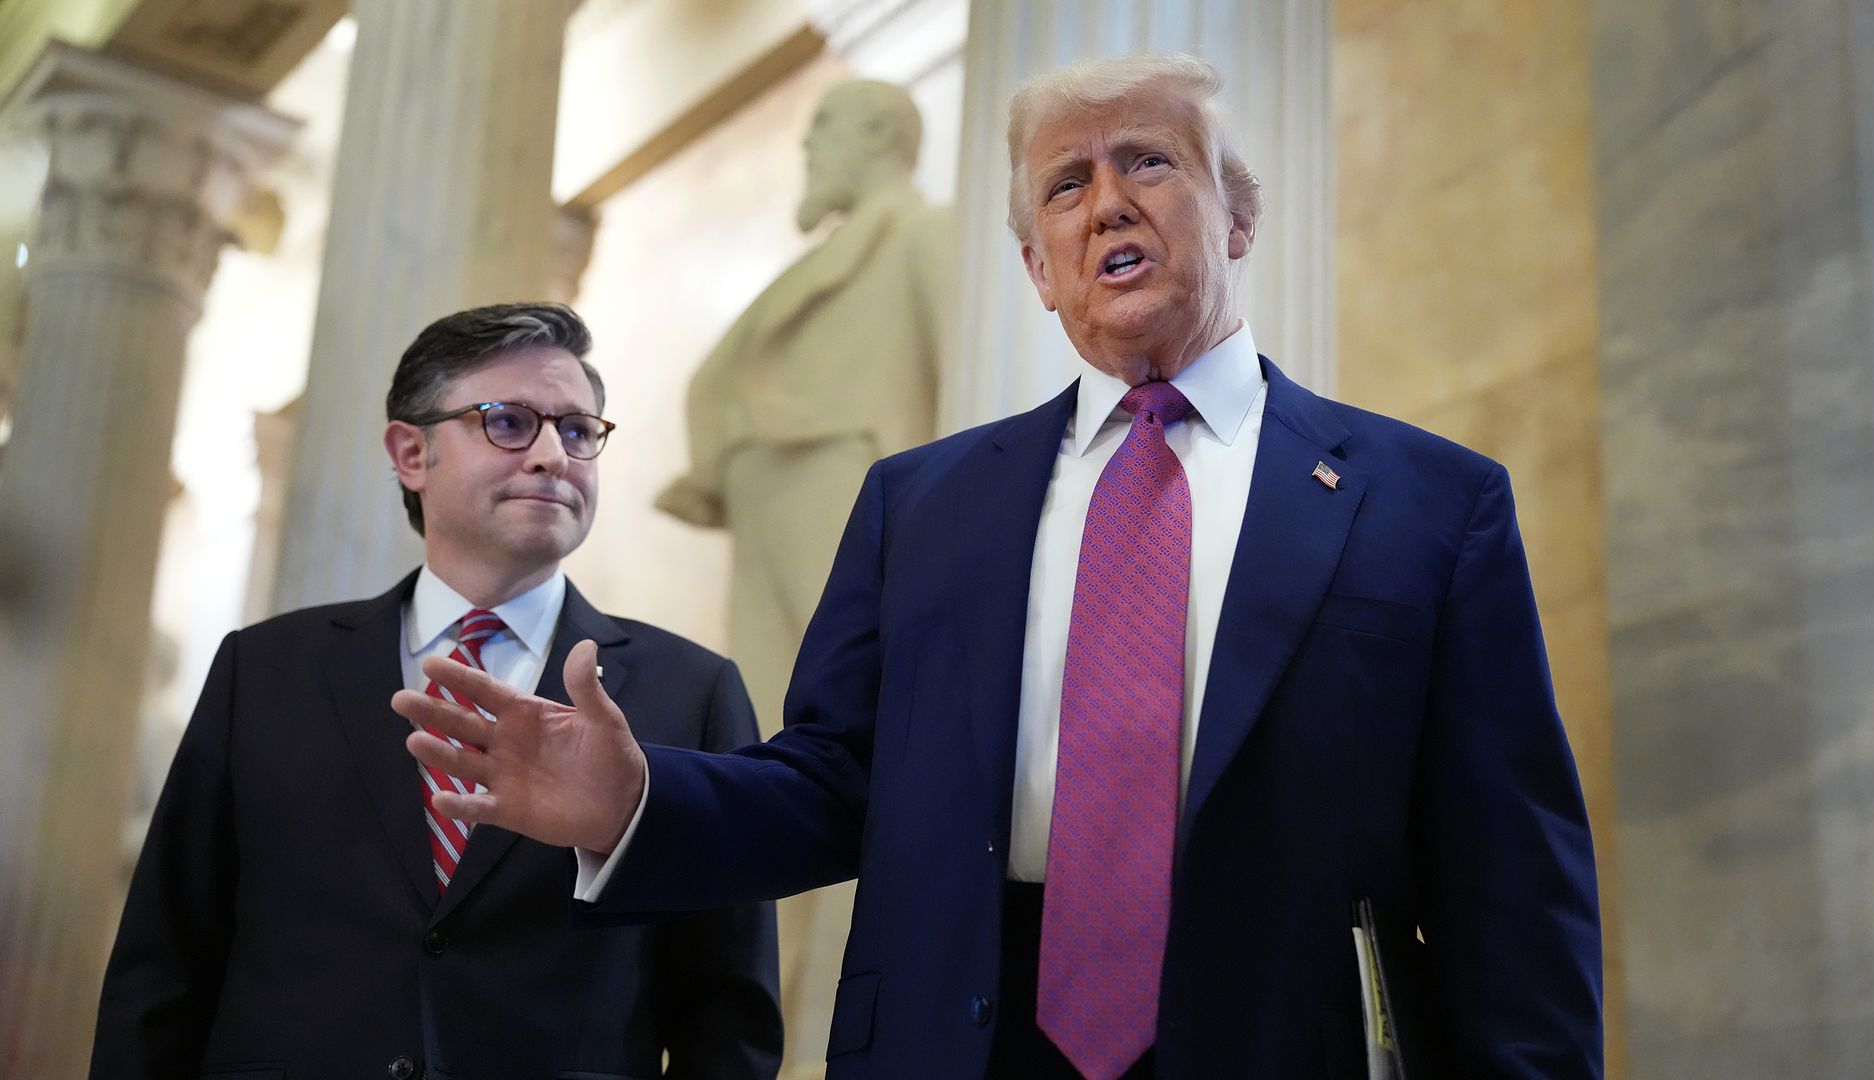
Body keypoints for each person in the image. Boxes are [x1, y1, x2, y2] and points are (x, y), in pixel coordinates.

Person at [400, 56, 1603, 1080]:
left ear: (1237, 221)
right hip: (958, 1036)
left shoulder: (1426, 503)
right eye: (1066, 186)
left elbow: (1510, 873)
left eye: (1147, 162)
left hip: (1279, 1033)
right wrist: (641, 802)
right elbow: (833, 784)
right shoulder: (922, 504)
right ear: (1037, 269)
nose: (1106, 205)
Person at [92, 303, 781, 1080]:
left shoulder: (691, 693)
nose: (554, 454)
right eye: (511, 422)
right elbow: (163, 965)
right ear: (411, 453)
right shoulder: (266, 669)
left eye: (580, 431)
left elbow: (728, 1018)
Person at [654, 75, 950, 1077]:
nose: (808, 151)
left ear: (878, 133)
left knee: (848, 770)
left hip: (852, 523)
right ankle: (756, 1024)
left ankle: (830, 1030)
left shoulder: (922, 234)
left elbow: (968, 390)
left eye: (823, 129)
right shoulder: (827, 259)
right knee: (766, 765)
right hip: (775, 527)